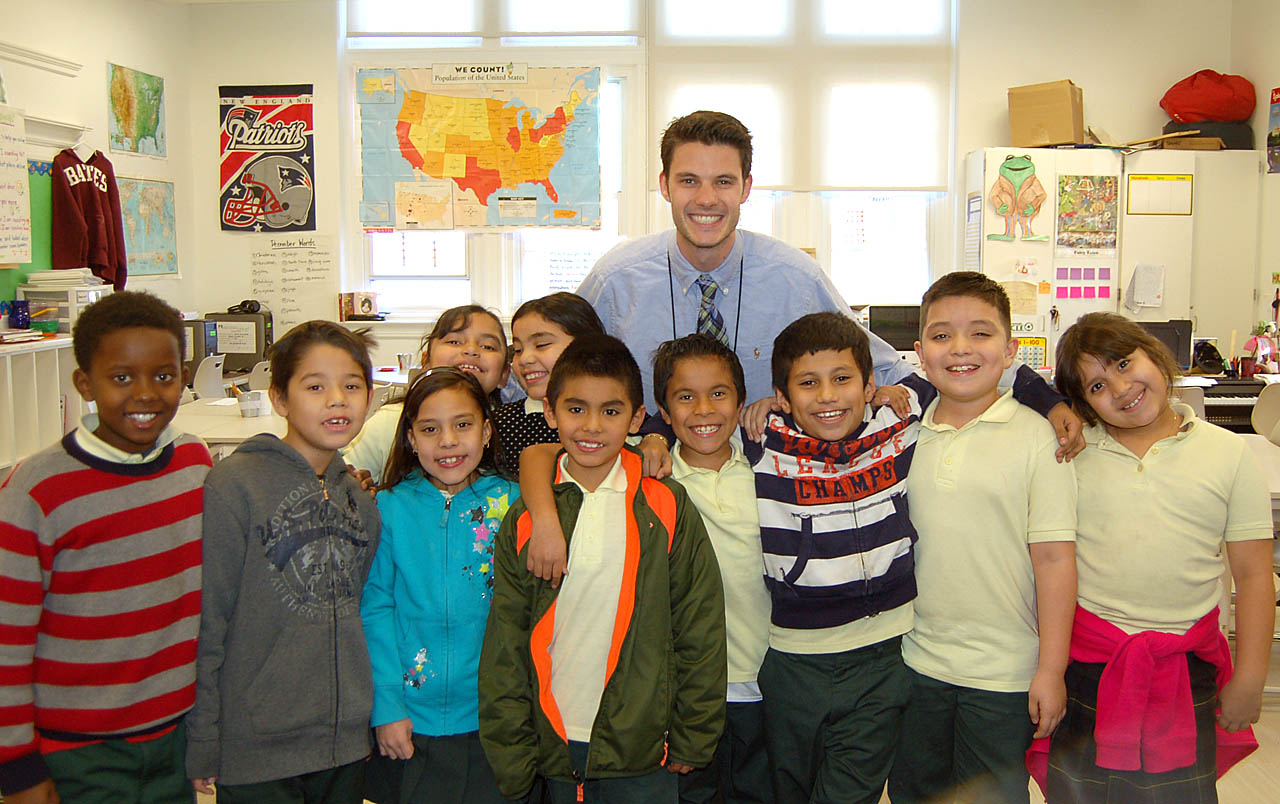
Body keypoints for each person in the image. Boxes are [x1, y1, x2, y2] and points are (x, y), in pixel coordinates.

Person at [744, 310, 1068, 804]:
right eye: (808, 384)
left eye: (843, 379)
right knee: (788, 788)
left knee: (848, 792)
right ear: (785, 397)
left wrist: (1052, 402)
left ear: (871, 384)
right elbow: (694, 419)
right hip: (795, 659)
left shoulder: (895, 420)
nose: (828, 395)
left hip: (885, 655)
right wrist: (657, 438)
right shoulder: (764, 440)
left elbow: (983, 367)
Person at [1029, 312, 1274, 803]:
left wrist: (1250, 678)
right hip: (1088, 666)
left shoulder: (1228, 453)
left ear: (1155, 355)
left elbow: (1253, 575)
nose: (1121, 388)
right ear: (1082, 403)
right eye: (1097, 385)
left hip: (1186, 668)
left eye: (1124, 362)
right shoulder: (1072, 455)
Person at [478, 336, 726, 804]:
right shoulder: (529, 515)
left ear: (636, 420)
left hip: (643, 750)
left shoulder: (664, 506)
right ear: (550, 413)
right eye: (576, 409)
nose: (592, 426)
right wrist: (512, 752)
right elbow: (505, 641)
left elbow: (700, 627)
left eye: (611, 412)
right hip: (551, 742)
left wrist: (694, 733)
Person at [0, 291, 212, 804]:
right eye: (121, 378)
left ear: (184, 377)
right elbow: (5, 643)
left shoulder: (193, 464)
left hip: (173, 738)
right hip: (76, 751)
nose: (145, 394)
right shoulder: (36, 491)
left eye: (164, 376)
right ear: (84, 384)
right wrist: (17, 769)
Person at [576, 109, 914, 418]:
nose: (706, 199)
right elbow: (549, 372)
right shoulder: (615, 280)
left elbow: (888, 372)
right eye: (689, 180)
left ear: (746, 187)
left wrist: (884, 395)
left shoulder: (796, 280)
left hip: (766, 477)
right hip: (650, 474)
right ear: (665, 185)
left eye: (723, 181)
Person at [887, 272, 1077, 804]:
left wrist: (1050, 670)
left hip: (1004, 674)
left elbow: (1056, 560)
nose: (961, 348)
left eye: (981, 333)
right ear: (920, 352)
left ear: (1012, 349)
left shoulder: (1040, 438)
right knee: (914, 793)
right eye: (943, 335)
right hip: (914, 664)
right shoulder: (901, 433)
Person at [186, 321, 382, 803]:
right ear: (278, 398)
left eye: (352, 386)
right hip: (257, 748)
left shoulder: (358, 498)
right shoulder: (236, 485)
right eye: (315, 386)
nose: (337, 399)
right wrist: (203, 738)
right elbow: (208, 621)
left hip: (343, 747)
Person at [360, 367, 518, 804]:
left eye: (463, 425)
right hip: (410, 718)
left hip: (494, 717)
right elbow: (376, 608)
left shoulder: (516, 503)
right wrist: (387, 706)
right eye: (430, 429)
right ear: (411, 438)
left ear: (486, 431)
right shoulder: (389, 507)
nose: (448, 441)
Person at [651, 334, 773, 804]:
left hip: (764, 681)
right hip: (684, 692)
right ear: (663, 408)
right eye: (685, 397)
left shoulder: (769, 470)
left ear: (741, 401)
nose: (703, 409)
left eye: (718, 394)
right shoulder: (652, 479)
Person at [344, 305, 510, 485]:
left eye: (487, 346)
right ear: (426, 362)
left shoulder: (509, 426)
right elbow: (345, 476)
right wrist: (358, 483)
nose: (471, 350)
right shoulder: (389, 422)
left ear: (504, 375)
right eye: (454, 342)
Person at [495, 292, 606, 476]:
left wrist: (654, 439)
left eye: (541, 345)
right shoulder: (501, 424)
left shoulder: (615, 415)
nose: (524, 359)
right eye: (518, 350)